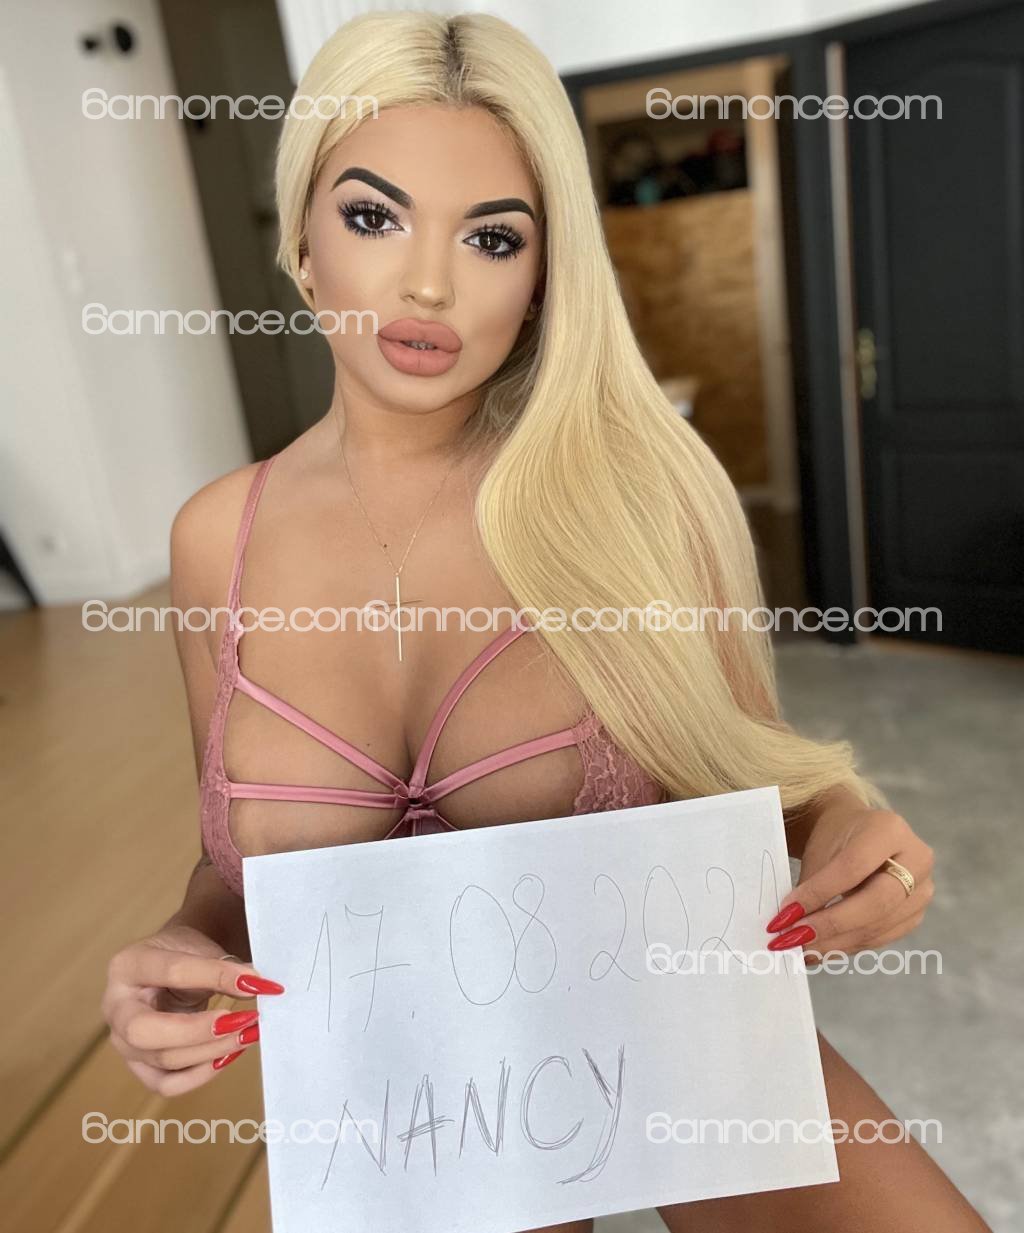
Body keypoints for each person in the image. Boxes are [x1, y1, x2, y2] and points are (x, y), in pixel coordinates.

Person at [101, 11, 988, 1232]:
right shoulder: (216, 540)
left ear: (541, 275)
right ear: (302, 242)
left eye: (492, 237)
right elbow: (232, 864)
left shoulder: (639, 497)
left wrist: (848, 830)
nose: (428, 282)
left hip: (673, 1048)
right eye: (373, 217)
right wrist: (181, 949)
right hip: (399, 1124)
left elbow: (754, 776)